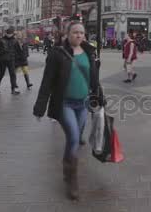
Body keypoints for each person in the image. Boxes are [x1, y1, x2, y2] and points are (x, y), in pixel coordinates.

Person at [33, 22, 104, 200]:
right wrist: (40, 107)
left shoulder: (89, 52)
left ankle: (67, 167)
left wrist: (99, 99)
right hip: (65, 103)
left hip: (84, 103)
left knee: (77, 136)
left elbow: (94, 79)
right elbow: (47, 81)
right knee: (73, 137)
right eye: (75, 32)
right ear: (67, 34)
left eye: (81, 32)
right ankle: (71, 179)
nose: (78, 36)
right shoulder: (57, 54)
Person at [0, 27, 20, 95]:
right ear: (6, 33)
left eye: (10, 33)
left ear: (12, 33)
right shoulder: (1, 40)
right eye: (8, 33)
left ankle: (13, 89)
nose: (9, 35)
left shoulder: (15, 41)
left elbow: (18, 51)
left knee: (12, 74)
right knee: (2, 73)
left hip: (11, 59)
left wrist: (18, 60)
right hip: (2, 59)